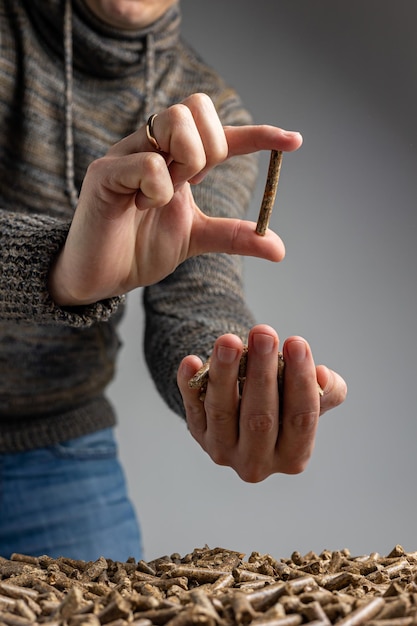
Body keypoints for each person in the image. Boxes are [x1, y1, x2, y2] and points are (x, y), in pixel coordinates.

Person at [0, 0, 347, 561]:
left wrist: (227, 381)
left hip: (59, 449)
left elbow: (197, 297)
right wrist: (61, 266)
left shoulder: (211, 118)